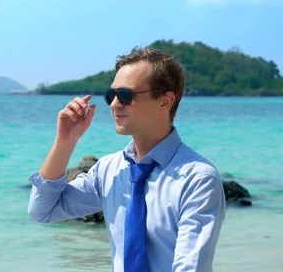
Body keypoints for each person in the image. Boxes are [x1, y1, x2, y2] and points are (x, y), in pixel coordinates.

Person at [27, 46, 226, 272]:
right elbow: (43, 210)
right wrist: (65, 142)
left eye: (125, 95)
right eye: (111, 95)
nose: (114, 104)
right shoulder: (109, 170)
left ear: (164, 101)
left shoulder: (198, 179)